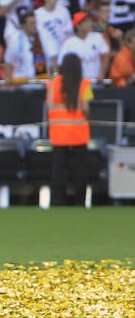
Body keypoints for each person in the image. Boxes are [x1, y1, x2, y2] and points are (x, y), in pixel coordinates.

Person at [47, 53, 92, 207]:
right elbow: (86, 108)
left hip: (58, 133)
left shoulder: (53, 84)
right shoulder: (85, 84)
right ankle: (80, 201)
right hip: (79, 133)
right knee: (80, 170)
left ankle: (57, 200)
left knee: (58, 169)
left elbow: (49, 105)